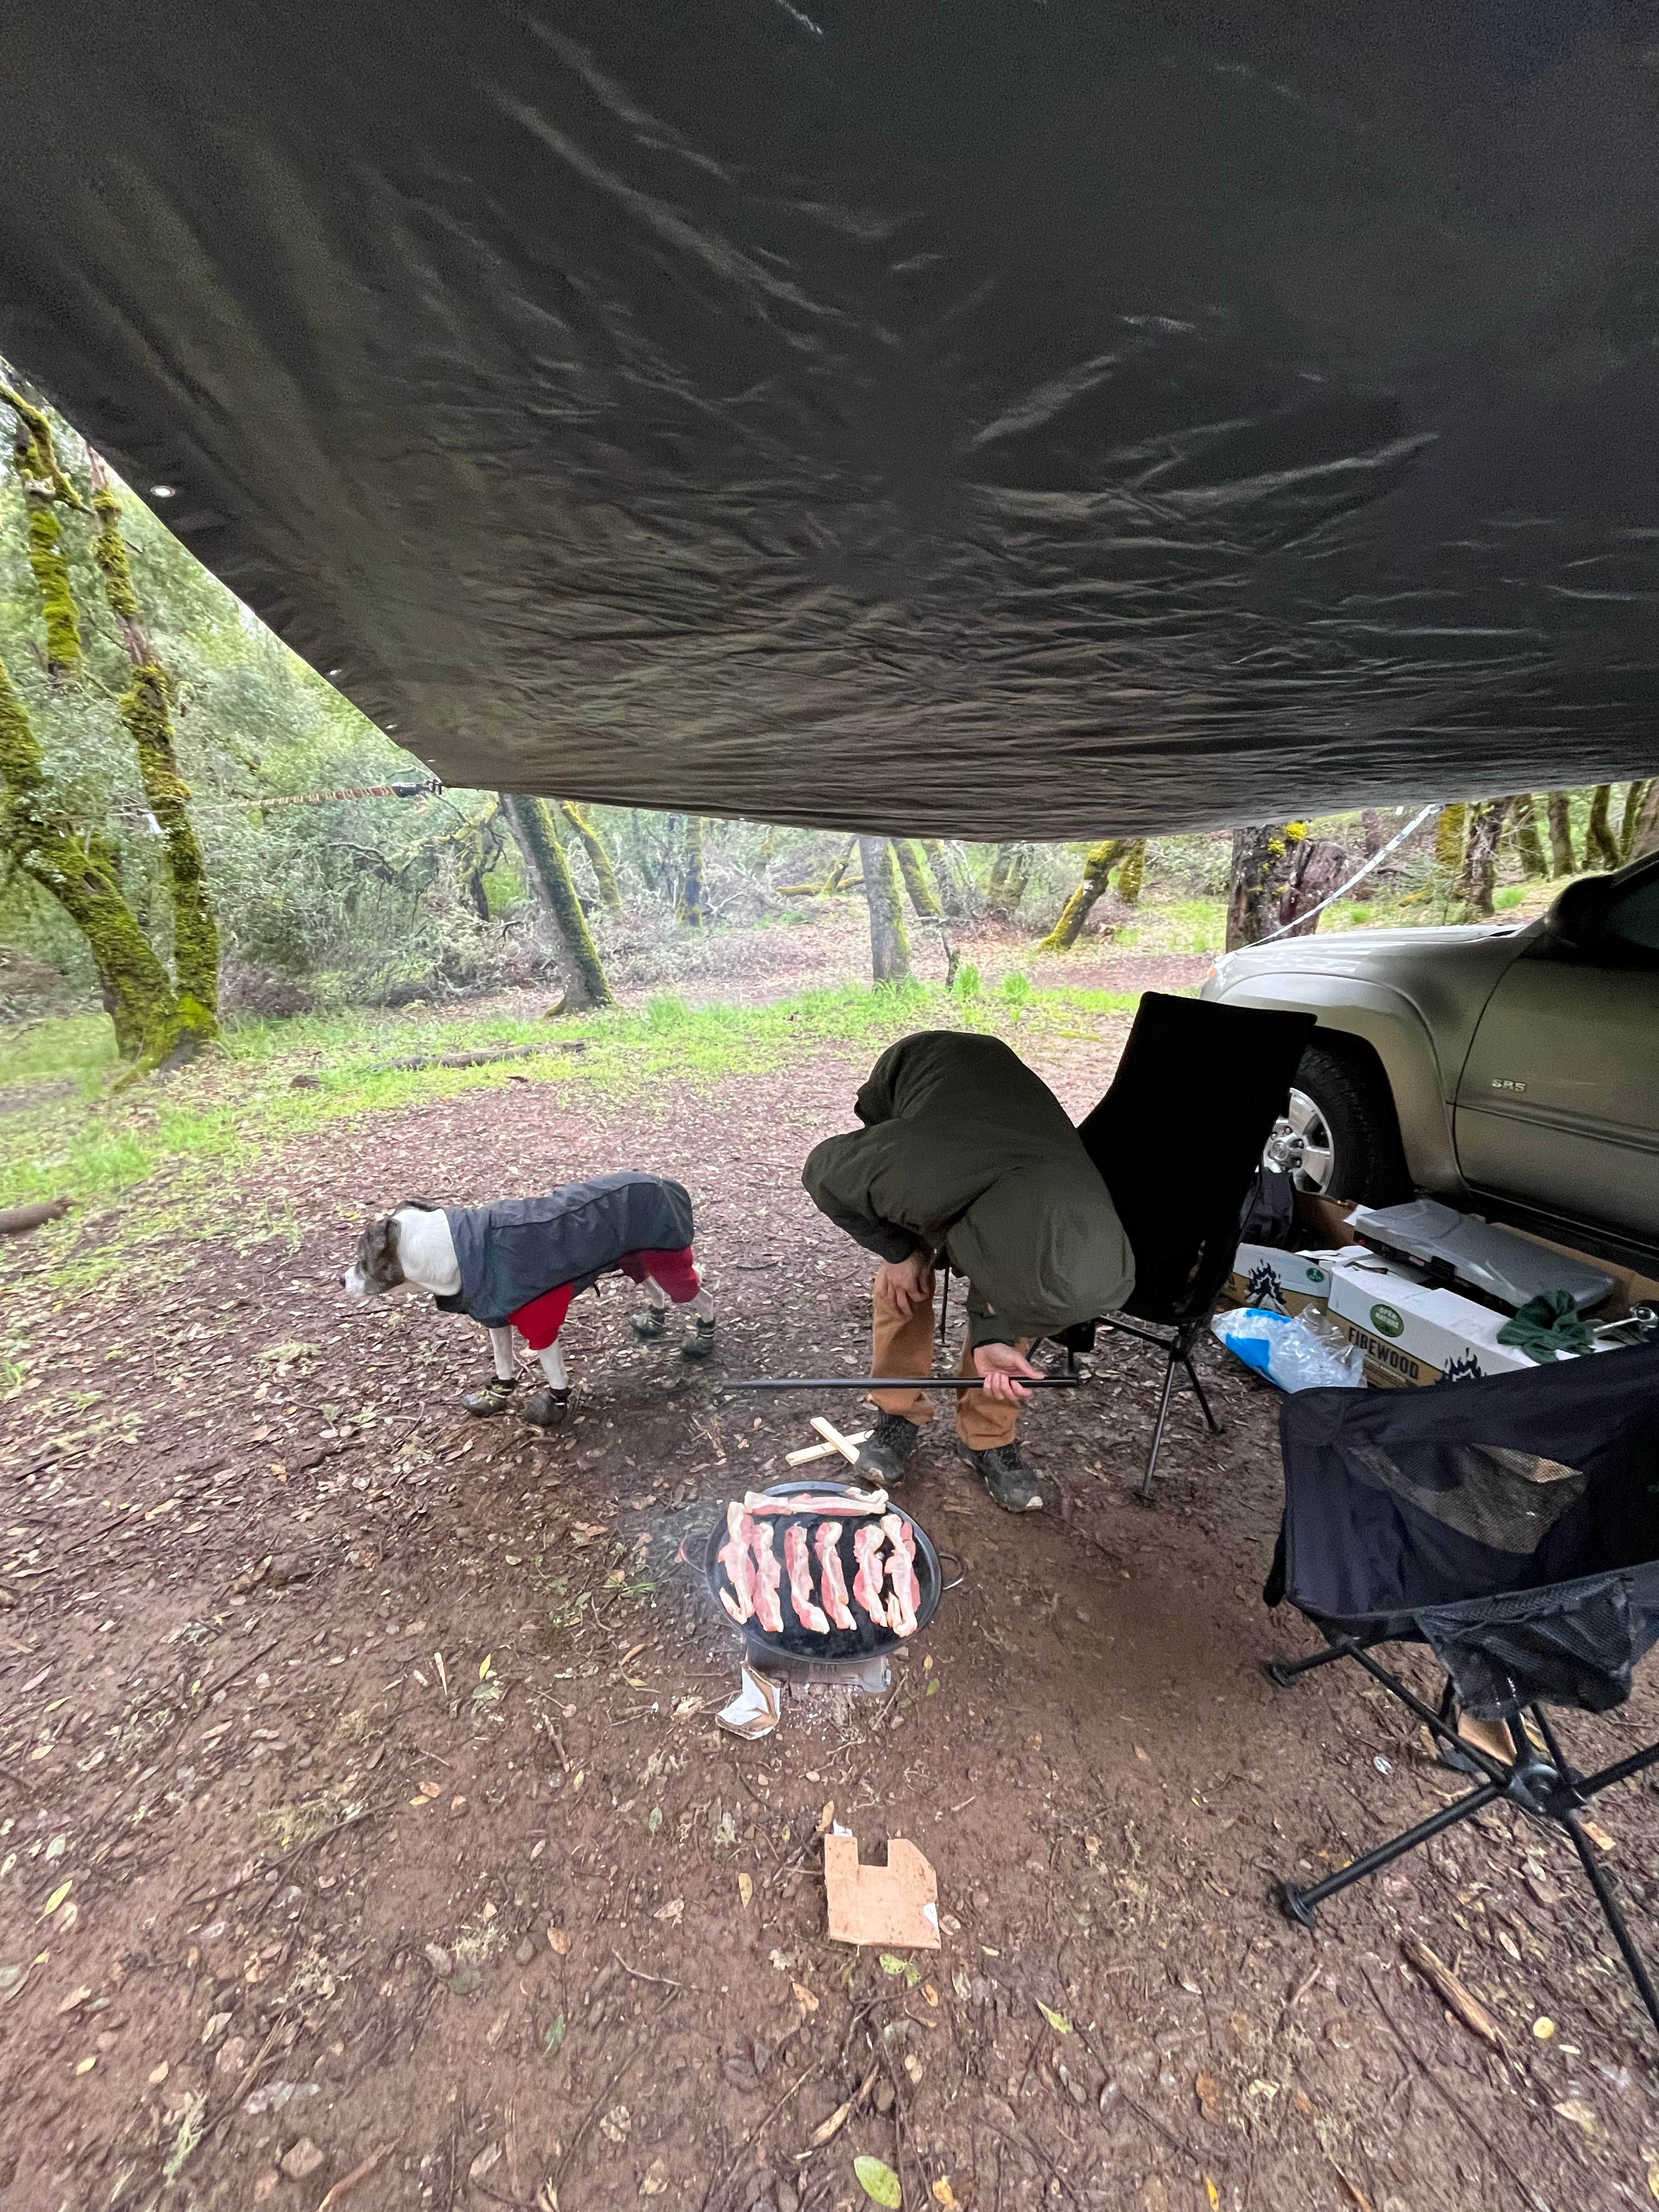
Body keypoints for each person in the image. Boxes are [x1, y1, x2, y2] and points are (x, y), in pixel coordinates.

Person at [802, 1030, 1133, 1510]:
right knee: (906, 1283)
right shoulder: (916, 1171)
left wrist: (996, 1336)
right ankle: (898, 1412)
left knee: (1030, 1295)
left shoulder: (1082, 1203)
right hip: (926, 1094)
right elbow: (824, 1172)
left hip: (1015, 1160)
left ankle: (988, 1436)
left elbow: (1017, 1274)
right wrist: (899, 1254)